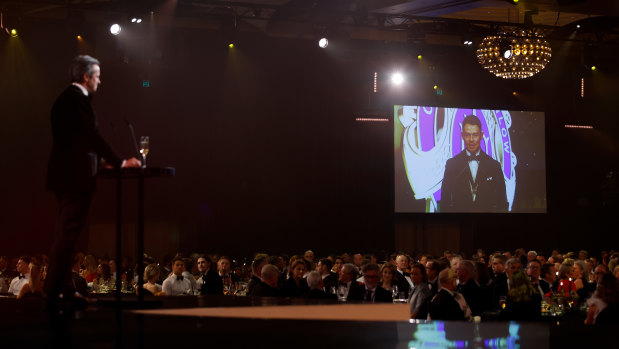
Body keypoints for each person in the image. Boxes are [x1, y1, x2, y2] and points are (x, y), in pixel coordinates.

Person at [45, 55, 141, 304]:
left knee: (66, 234)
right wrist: (120, 162)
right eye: (97, 75)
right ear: (86, 77)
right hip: (75, 177)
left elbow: (74, 142)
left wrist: (99, 163)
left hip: (67, 174)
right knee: (67, 234)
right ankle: (55, 289)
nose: (100, 80)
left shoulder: (65, 100)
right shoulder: (77, 100)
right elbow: (92, 135)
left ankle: (61, 288)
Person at [439, 115, 508, 212]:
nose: (471, 139)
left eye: (475, 135)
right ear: (462, 135)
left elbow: (502, 203)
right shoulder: (452, 165)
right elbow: (444, 203)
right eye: (467, 135)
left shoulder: (494, 166)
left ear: (481, 135)